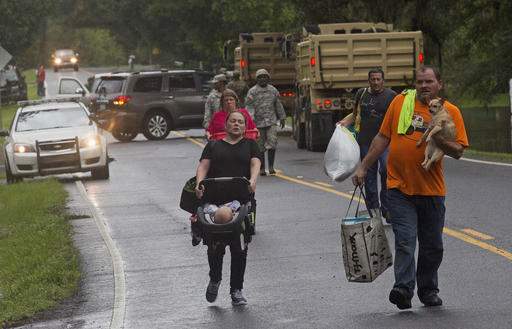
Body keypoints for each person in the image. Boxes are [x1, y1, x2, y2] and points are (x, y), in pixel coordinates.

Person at [352, 65, 468, 310]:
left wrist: (438, 138)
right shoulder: (400, 103)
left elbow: (458, 151)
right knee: (405, 240)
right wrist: (363, 167)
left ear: (439, 84)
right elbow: (383, 137)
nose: (423, 86)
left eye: (428, 82)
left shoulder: (451, 112)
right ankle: (403, 289)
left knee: (432, 245)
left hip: (432, 191)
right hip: (398, 188)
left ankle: (428, 290)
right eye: (419, 82)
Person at [195, 111, 261, 306]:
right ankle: (215, 279)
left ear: (245, 126)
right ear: (226, 124)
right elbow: (203, 166)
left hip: (239, 203)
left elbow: (255, 163)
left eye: (240, 122)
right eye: (233, 121)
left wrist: (253, 180)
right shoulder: (213, 146)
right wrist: (199, 184)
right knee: (216, 246)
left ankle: (236, 290)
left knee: (238, 247)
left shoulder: (250, 145)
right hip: (213, 202)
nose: (236, 124)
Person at [339, 68, 396, 222]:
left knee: (386, 170)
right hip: (365, 141)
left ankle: (387, 209)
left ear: (383, 80)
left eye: (378, 79)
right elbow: (355, 114)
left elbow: (396, 119)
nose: (376, 82)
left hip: (385, 142)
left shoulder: (391, 96)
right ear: (369, 80)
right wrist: (344, 122)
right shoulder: (361, 94)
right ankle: (374, 211)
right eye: (373, 79)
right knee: (368, 177)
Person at [245, 69, 286, 176]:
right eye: (260, 77)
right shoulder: (252, 91)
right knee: (260, 146)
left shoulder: (273, 90)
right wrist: (251, 120)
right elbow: (249, 106)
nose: (262, 79)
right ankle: (262, 168)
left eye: (264, 77)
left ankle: (271, 166)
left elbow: (278, 104)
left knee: (272, 142)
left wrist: (282, 117)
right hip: (258, 123)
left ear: (268, 78)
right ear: (257, 79)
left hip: (271, 121)